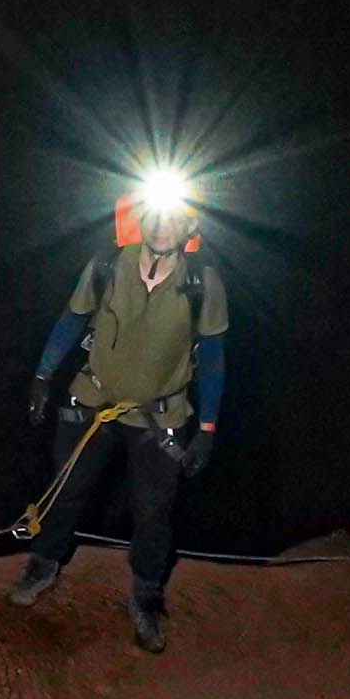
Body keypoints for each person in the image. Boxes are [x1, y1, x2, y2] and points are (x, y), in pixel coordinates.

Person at [19, 173, 226, 651]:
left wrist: (208, 428)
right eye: (153, 216)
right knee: (67, 488)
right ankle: (44, 562)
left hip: (160, 413)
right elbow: (72, 319)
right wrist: (44, 376)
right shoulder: (108, 265)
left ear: (188, 224)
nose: (161, 227)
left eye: (173, 218)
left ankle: (148, 594)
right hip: (94, 400)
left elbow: (213, 355)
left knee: (153, 510)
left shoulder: (201, 282)